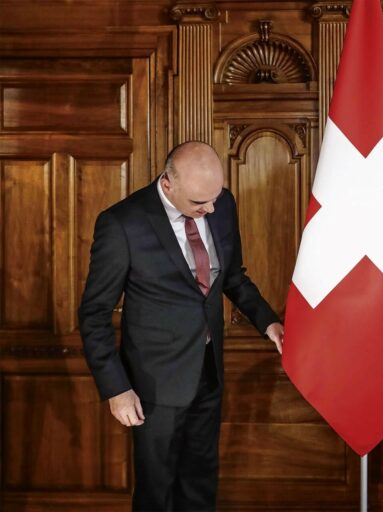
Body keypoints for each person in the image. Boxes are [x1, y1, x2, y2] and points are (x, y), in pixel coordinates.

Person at [79, 141, 284, 511]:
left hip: (208, 373)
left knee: (200, 485)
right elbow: (94, 314)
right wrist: (117, 389)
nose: (211, 210)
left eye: (215, 198)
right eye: (199, 203)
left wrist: (268, 322)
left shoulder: (221, 204)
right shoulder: (122, 224)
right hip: (154, 385)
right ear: (168, 184)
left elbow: (233, 277)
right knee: (156, 493)